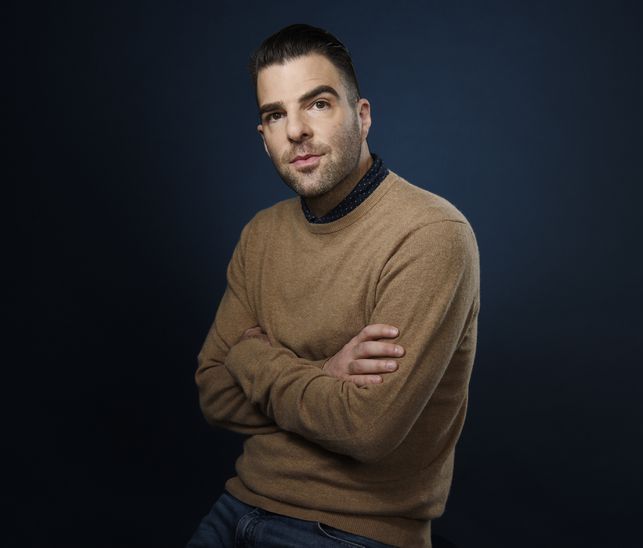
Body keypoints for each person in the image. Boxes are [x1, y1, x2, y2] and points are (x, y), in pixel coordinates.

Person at [188, 23, 480, 548]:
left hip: (349, 531)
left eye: (317, 104)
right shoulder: (261, 234)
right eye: (275, 115)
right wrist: (325, 373)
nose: (296, 130)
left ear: (363, 116)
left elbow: (366, 430)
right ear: (264, 138)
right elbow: (212, 391)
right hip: (239, 505)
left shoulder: (431, 235)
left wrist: (253, 360)